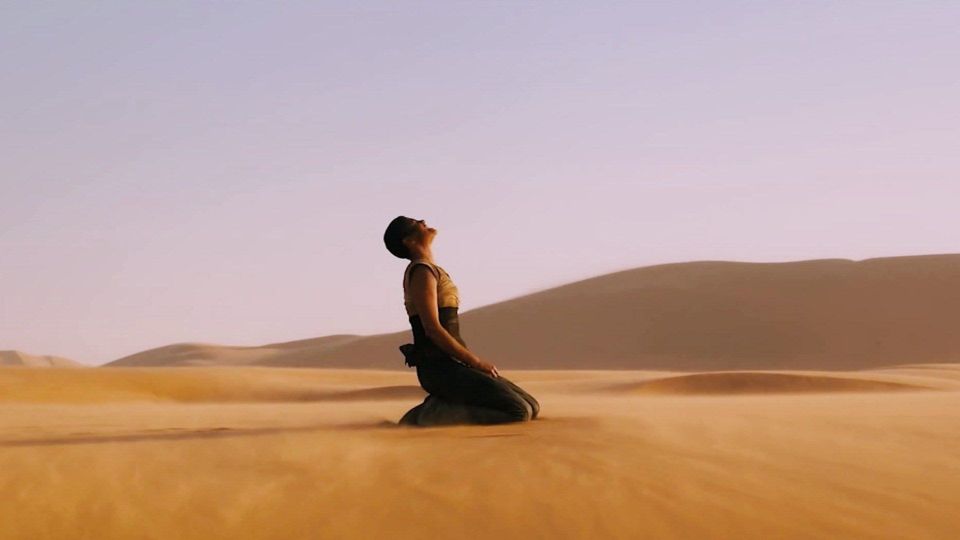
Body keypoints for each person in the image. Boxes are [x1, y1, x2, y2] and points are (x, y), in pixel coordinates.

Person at [383, 215, 540, 426]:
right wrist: (475, 362)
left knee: (532, 407)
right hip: (440, 368)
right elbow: (432, 328)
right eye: (414, 223)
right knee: (517, 411)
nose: (422, 221)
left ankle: (446, 401)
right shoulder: (421, 271)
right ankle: (428, 415)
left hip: (454, 364)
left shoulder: (430, 269)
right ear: (409, 241)